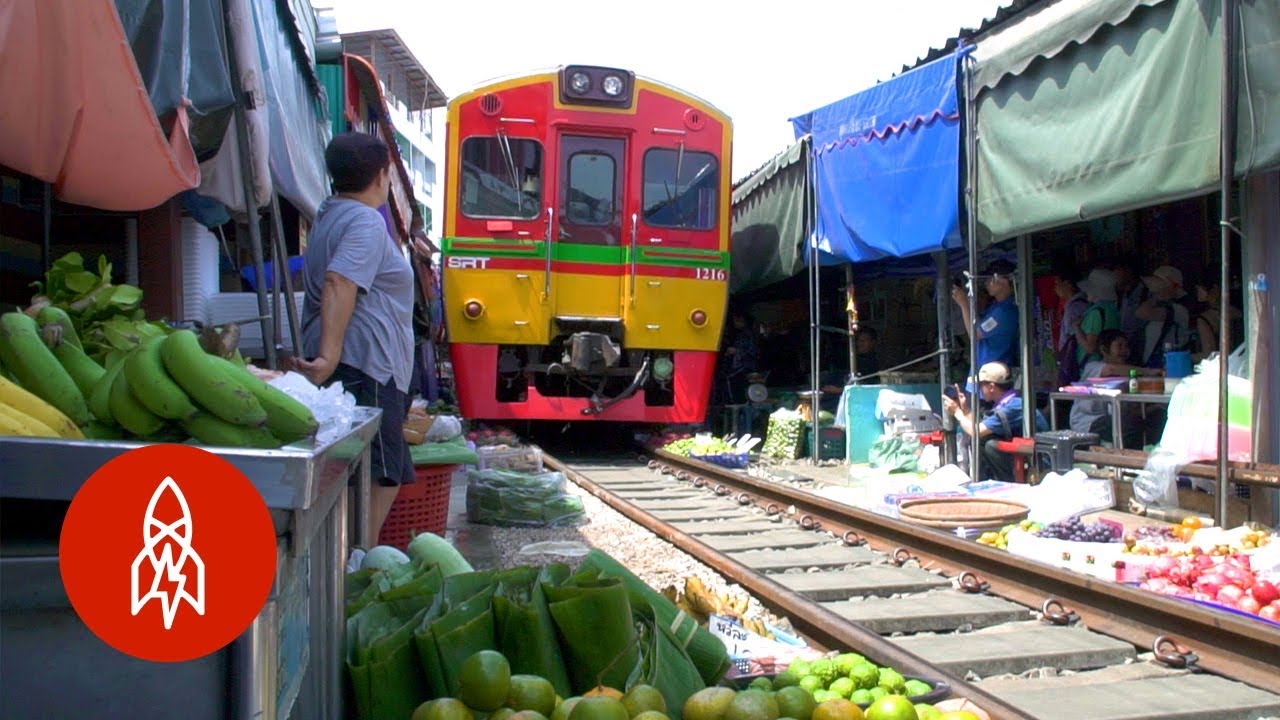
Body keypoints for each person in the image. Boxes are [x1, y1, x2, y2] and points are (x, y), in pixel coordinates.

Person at [294, 132, 416, 540]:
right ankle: (353, 566)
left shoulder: (330, 213)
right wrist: (328, 357)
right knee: (377, 476)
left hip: (368, 367)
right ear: (382, 176)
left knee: (389, 471)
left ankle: (353, 560)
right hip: (366, 365)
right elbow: (340, 280)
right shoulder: (364, 220)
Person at [942, 361, 1048, 483]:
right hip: (1025, 455)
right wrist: (964, 409)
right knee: (985, 441)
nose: (979, 389)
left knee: (990, 445)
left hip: (1038, 462)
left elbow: (975, 432)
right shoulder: (1006, 403)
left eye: (981, 385)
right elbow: (979, 427)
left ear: (992, 387)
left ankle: (1008, 483)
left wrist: (957, 412)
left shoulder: (1014, 406)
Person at [1069, 329, 1162, 448]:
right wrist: (1148, 372)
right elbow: (1110, 369)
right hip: (1088, 421)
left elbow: (1130, 409)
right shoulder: (1093, 367)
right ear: (1104, 350)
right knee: (1129, 425)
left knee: (1154, 420)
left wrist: (1156, 408)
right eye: (1119, 346)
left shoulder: (1127, 375)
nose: (1125, 350)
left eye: (1126, 346)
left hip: (1114, 418)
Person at [951, 259, 1019, 369]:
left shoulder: (1004, 311)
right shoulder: (997, 306)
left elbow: (975, 335)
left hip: (990, 373)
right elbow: (979, 323)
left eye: (990, 279)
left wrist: (963, 304)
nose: (986, 283)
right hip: (985, 368)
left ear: (1004, 281)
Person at [1136, 265, 1191, 369]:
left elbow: (1142, 313)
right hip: (1155, 362)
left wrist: (1154, 295)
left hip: (1169, 363)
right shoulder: (1161, 305)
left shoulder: (1179, 309)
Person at [1072, 267, 1120, 364]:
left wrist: (1076, 327)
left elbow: (1090, 348)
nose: (1086, 291)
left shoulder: (1096, 312)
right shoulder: (1112, 309)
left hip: (1092, 366)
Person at [1053, 268, 1091, 385]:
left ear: (1067, 284)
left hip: (1075, 361)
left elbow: (1071, 338)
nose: (1055, 288)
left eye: (1057, 284)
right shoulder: (1073, 305)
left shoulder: (1075, 307)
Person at [1192, 281, 1243, 358]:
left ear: (1215, 289)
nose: (1198, 292)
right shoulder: (1237, 312)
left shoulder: (1205, 319)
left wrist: (1188, 357)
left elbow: (1209, 354)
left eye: (1201, 288)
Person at [1110, 254, 1149, 351]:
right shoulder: (1122, 294)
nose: (1115, 274)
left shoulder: (1145, 293)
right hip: (1124, 348)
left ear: (1128, 271)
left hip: (1139, 347)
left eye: (1118, 270)